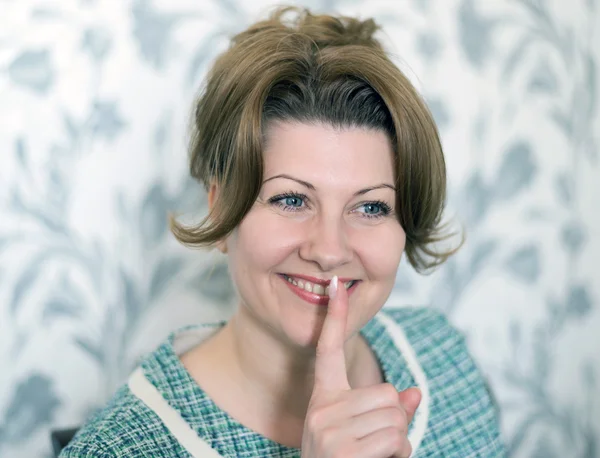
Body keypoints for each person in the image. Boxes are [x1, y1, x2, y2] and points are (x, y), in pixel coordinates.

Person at [61, 6, 506, 457]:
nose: (330, 251)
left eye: (371, 206)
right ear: (221, 210)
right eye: (291, 200)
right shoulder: (117, 449)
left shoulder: (441, 353)